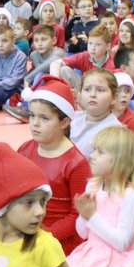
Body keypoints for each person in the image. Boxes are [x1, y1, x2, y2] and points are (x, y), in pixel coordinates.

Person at [51, 127, 134, 267]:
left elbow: (122, 242)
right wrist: (83, 214)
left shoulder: (132, 195)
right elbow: (84, 233)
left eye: (100, 152)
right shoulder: (94, 185)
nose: (92, 156)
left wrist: (92, 215)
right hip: (92, 252)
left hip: (120, 258)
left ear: (121, 161)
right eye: (94, 149)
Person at [17, 77, 91, 255]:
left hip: (58, 242)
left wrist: (45, 236)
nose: (34, 123)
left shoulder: (76, 164)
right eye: (32, 115)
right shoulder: (25, 150)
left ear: (64, 122)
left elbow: (77, 215)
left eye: (44, 118)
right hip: (24, 231)